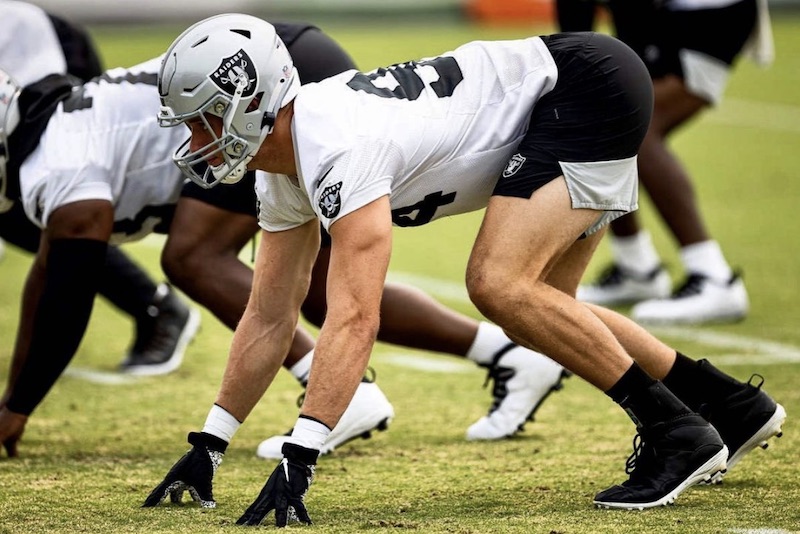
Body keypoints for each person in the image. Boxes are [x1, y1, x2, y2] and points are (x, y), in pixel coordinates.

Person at [144, 14, 785, 525]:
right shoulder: (284, 171)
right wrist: (212, 441)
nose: (197, 141)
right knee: (546, 310)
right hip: (577, 87)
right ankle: (730, 405)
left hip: (582, 87)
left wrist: (301, 454)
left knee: (499, 285)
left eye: (206, 119)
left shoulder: (336, 146)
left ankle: (675, 431)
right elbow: (270, 314)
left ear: (256, 101)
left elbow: (354, 316)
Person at [0, 23, 570, 458]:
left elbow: (67, 292)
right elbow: (50, 275)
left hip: (272, 81)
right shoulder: (56, 142)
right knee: (320, 285)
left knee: (195, 256)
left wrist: (16, 407)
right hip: (276, 60)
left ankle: (338, 395)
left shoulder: (57, 167)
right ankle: (506, 355)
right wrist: (12, 401)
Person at [0, 0, 200, 375]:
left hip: (41, 58)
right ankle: (153, 305)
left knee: (57, 209)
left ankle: (155, 307)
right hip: (26, 67)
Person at [572, 0, 772, 325]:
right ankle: (636, 269)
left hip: (707, 15)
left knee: (631, 121)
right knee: (604, 118)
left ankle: (714, 278)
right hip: (671, 15)